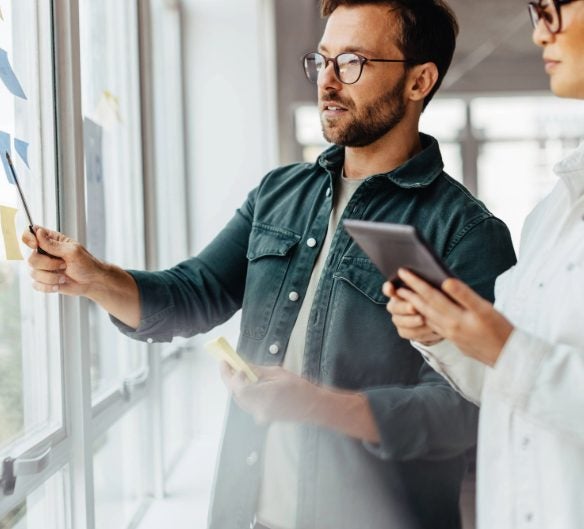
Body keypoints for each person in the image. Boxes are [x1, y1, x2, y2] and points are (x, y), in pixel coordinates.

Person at [24, 1, 516, 528]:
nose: (327, 81)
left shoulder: (468, 232)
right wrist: (95, 278)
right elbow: (196, 293)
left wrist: (317, 405)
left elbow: (466, 409)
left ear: (419, 81)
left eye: (352, 62)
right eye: (322, 60)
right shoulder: (279, 193)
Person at [386, 1, 584, 528]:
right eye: (533, 11)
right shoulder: (551, 215)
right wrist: (446, 338)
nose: (540, 34)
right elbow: (509, 388)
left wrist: (505, 347)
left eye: (552, 9)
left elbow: (520, 362)